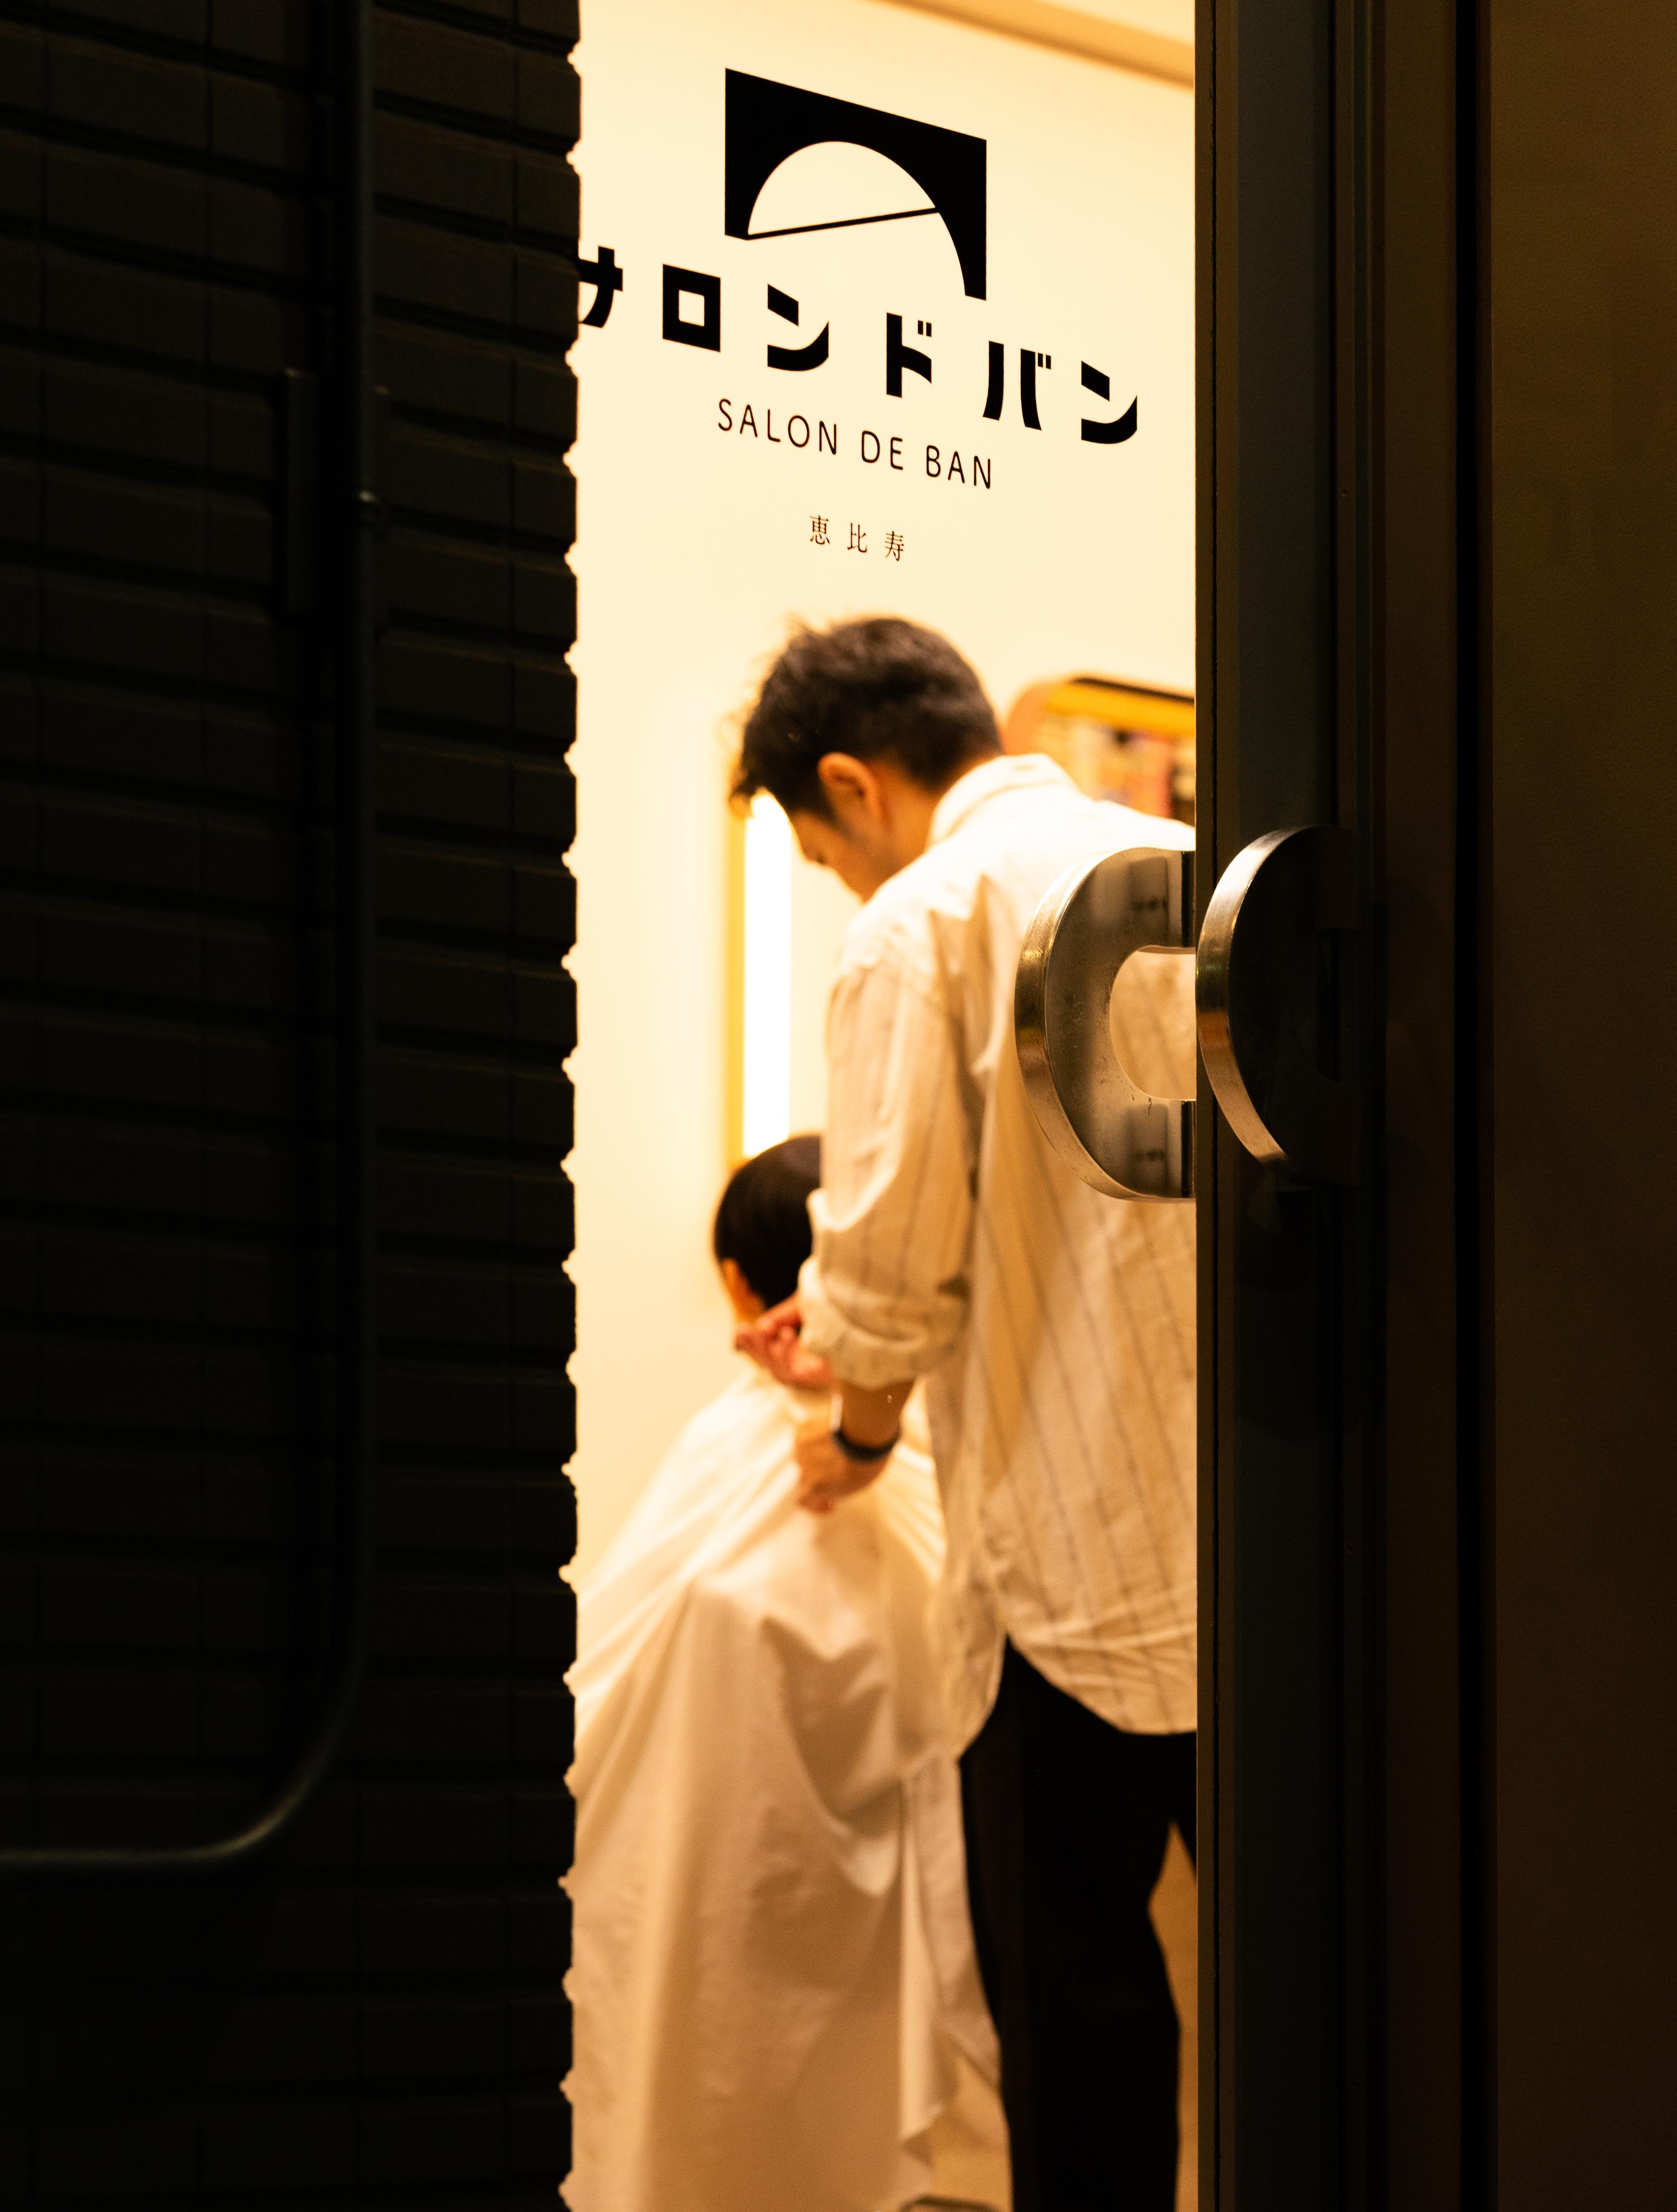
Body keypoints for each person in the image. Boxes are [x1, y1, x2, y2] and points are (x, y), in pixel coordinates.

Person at [732, 619, 1198, 2211]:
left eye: (816, 851)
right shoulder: (1194, 860)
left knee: (1076, 2019)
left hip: (1061, 1565)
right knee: (1322, 1995)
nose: (838, 883)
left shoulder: (916, 925)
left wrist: (856, 1430)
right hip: (1265, 1553)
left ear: (854, 786)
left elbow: (887, 1268)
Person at [563, 1136, 1000, 2212]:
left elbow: (613, 1683)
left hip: (726, 1931)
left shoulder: (745, 1465)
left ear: (735, 1281)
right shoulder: (949, 1458)